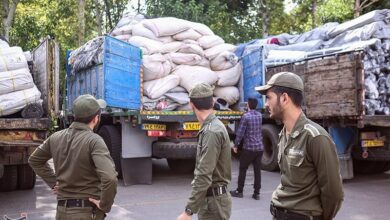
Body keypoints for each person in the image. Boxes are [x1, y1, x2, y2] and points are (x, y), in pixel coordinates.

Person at [255, 72, 344, 220]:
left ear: (284, 98)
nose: (266, 104)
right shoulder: (284, 134)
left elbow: (333, 192)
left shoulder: (315, 137)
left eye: (269, 98)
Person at [29, 94, 118, 220]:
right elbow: (110, 178)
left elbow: (34, 160)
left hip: (61, 213)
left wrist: (54, 182)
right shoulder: (94, 141)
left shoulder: (55, 137)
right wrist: (105, 205)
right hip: (87, 213)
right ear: (96, 119)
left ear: (75, 116)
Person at [177, 83, 232, 220]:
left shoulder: (211, 132)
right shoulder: (212, 127)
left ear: (191, 105)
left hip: (213, 204)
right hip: (211, 200)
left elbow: (204, 174)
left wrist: (188, 211)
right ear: (212, 102)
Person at [230, 97, 263, 200]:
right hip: (259, 148)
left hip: (248, 148)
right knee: (257, 171)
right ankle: (256, 193)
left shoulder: (246, 116)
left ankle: (239, 191)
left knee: (243, 169)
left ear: (248, 105)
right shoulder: (260, 115)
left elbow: (240, 133)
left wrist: (235, 145)